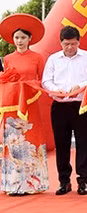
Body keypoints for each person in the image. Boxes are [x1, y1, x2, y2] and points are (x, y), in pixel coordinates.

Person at [42, 25, 87, 195]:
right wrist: (56, 90)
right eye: (66, 44)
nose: (70, 48)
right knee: (62, 144)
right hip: (59, 105)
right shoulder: (53, 59)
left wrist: (80, 86)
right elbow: (46, 81)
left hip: (80, 105)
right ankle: (64, 181)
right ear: (60, 43)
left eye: (73, 44)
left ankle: (83, 181)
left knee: (83, 143)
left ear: (79, 42)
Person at [0, 14, 49, 196]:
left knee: (30, 140)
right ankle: (13, 183)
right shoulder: (7, 59)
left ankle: (32, 183)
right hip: (11, 106)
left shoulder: (37, 57)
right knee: (13, 142)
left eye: (23, 37)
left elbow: (42, 81)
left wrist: (29, 87)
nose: (19, 41)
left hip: (30, 105)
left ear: (30, 39)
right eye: (17, 37)